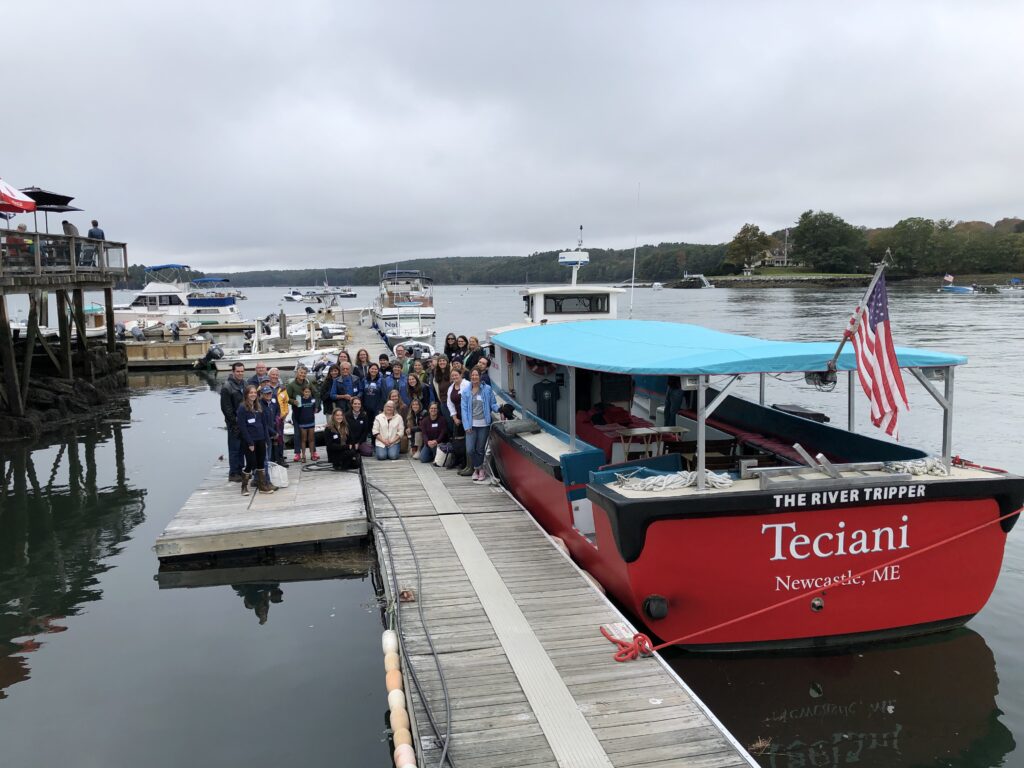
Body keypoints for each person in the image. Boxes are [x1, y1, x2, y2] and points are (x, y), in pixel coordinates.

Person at [460, 368, 500, 481]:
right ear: (470, 377)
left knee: (480, 449)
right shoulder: (466, 391)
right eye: (472, 375)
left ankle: (478, 471)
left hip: (484, 424)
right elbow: (464, 410)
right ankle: (479, 467)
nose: (474, 377)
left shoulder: (487, 389)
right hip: (471, 425)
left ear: (480, 376)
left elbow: (493, 404)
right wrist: (467, 426)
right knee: (470, 449)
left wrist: (500, 409)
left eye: (476, 375)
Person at [237, 384, 277, 494]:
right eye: (251, 393)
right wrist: (249, 442)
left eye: (255, 392)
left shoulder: (259, 407)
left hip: (261, 439)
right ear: (246, 394)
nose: (253, 394)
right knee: (250, 463)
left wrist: (266, 440)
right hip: (250, 441)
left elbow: (264, 424)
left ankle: (262, 486)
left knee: (260, 463)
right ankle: (244, 487)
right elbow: (242, 427)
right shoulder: (242, 408)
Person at [220, 362, 247, 481]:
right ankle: (233, 473)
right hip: (233, 423)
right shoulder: (227, 386)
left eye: (242, 371)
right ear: (233, 372)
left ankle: (240, 470)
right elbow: (226, 408)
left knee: (242, 447)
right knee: (234, 448)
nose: (240, 373)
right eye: (238, 371)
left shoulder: (245, 384)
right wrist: (234, 422)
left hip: (244, 421)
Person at [293, 385, 319, 462]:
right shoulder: (300, 400)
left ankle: (312, 455)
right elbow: (296, 411)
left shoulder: (313, 400)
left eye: (309, 392)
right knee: (303, 440)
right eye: (305, 392)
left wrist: (316, 409)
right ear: (302, 392)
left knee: (311, 439)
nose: (307, 393)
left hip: (311, 422)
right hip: (303, 423)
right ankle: (303, 455)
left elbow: (315, 409)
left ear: (310, 392)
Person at [259, 385, 281, 474]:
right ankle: (262, 476)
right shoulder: (260, 405)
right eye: (266, 393)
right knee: (265, 456)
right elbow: (264, 423)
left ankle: (268, 474)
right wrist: (274, 432)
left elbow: (278, 410)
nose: (268, 395)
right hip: (265, 435)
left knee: (270, 455)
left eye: (269, 393)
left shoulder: (272, 402)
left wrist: (277, 418)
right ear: (262, 394)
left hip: (272, 432)